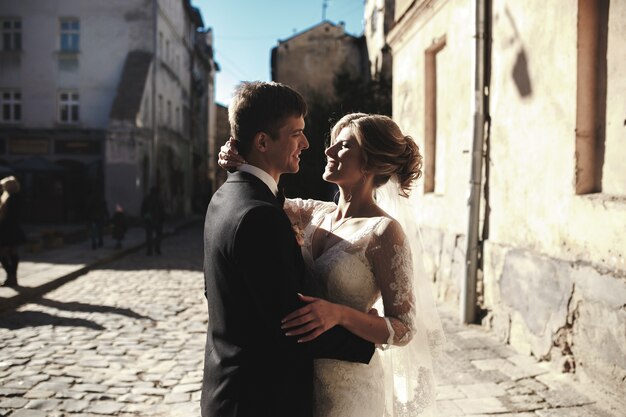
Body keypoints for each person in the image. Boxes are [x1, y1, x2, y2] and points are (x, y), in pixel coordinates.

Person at [219, 112, 445, 417]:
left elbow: (403, 329)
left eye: (342, 146)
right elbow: (259, 196)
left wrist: (339, 314)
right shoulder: (314, 213)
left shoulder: (384, 232)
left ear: (368, 162)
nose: (327, 151)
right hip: (297, 378)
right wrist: (239, 159)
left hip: (349, 385)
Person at [201, 81, 375, 417]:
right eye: (296, 133)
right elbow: (292, 326)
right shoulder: (259, 216)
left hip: (229, 388)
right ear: (263, 141)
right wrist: (367, 339)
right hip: (261, 400)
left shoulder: (225, 196)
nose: (307, 144)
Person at [0, 176, 27, 287]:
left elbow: (7, 216)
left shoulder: (11, 198)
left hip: (7, 229)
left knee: (3, 253)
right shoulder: (14, 197)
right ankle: (12, 277)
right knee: (12, 252)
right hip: (14, 228)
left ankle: (11, 276)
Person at [141, 187, 164, 255]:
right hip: (158, 220)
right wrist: (162, 218)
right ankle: (157, 248)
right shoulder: (159, 199)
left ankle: (149, 250)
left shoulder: (147, 199)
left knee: (149, 235)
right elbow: (162, 210)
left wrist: (145, 218)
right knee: (159, 235)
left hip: (149, 219)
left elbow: (143, 210)